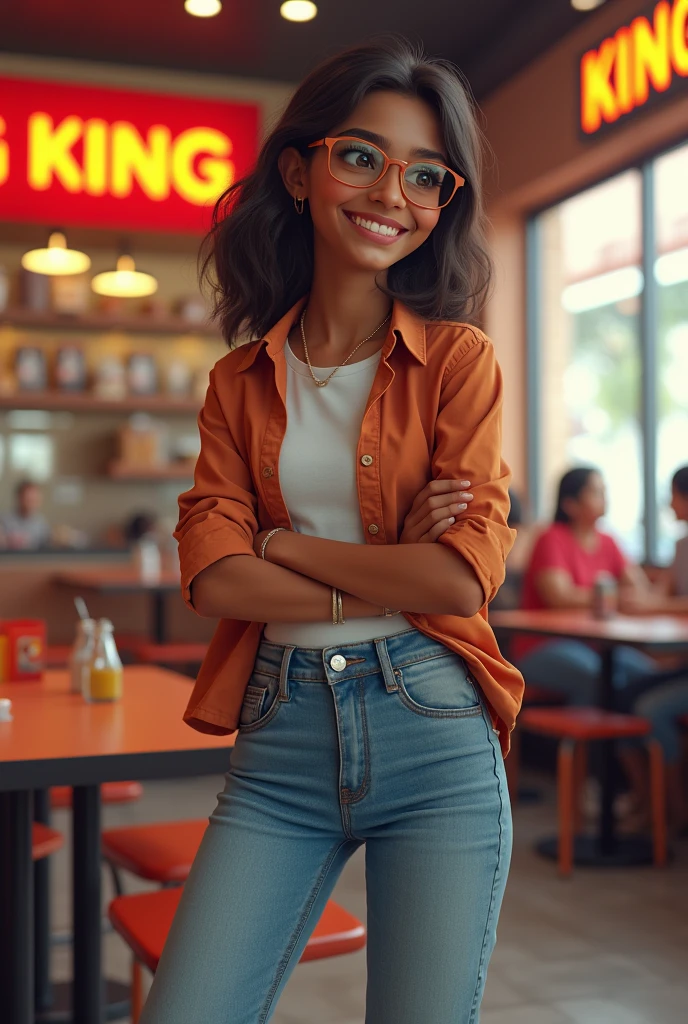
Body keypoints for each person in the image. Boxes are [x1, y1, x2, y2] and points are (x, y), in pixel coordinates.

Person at [141, 37, 523, 1024]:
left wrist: (282, 543)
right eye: (360, 154)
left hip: (432, 728)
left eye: (426, 175)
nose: (390, 191)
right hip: (280, 740)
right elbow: (213, 579)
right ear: (299, 168)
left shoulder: (458, 363)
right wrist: (389, 560)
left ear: (444, 202)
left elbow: (460, 579)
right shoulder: (237, 383)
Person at [513, 467, 657, 706]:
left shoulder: (608, 541)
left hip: (595, 645)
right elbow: (559, 597)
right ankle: (582, 743)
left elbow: (639, 589)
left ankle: (622, 741)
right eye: (596, 492)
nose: (604, 498)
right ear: (571, 504)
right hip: (541, 645)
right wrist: (617, 597)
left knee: (646, 674)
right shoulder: (551, 537)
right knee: (597, 677)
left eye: (604, 491)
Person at [626, 465, 688, 833]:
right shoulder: (681, 546)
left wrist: (649, 606)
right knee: (622, 694)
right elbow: (662, 593)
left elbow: (662, 603)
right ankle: (648, 803)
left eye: (673, 495)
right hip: (681, 663)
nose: (669, 503)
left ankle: (675, 811)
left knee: (650, 708)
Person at [0, 479, 51, 550]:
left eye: (35, 499)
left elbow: (46, 546)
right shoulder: (4, 521)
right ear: (19, 498)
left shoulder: (40, 522)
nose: (32, 503)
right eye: (29, 499)